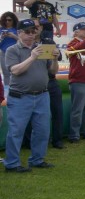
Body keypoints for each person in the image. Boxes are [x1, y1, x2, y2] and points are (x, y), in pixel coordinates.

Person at [4, 19, 57, 172]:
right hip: (20, 96)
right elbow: (15, 71)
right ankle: (12, 163)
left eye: (33, 31)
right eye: (27, 32)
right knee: (16, 131)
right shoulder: (12, 50)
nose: (31, 35)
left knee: (42, 130)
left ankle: (37, 159)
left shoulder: (41, 49)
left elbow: (53, 71)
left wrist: (53, 58)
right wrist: (32, 57)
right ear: (19, 33)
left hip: (42, 96)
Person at [0, 11, 18, 94]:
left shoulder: (17, 29)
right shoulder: (0, 30)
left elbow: (23, 41)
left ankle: (17, 89)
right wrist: (2, 37)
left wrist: (13, 36)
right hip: (4, 53)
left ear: (13, 20)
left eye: (9, 20)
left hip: (16, 53)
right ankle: (7, 91)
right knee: (6, 73)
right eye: (5, 20)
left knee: (16, 72)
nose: (7, 22)